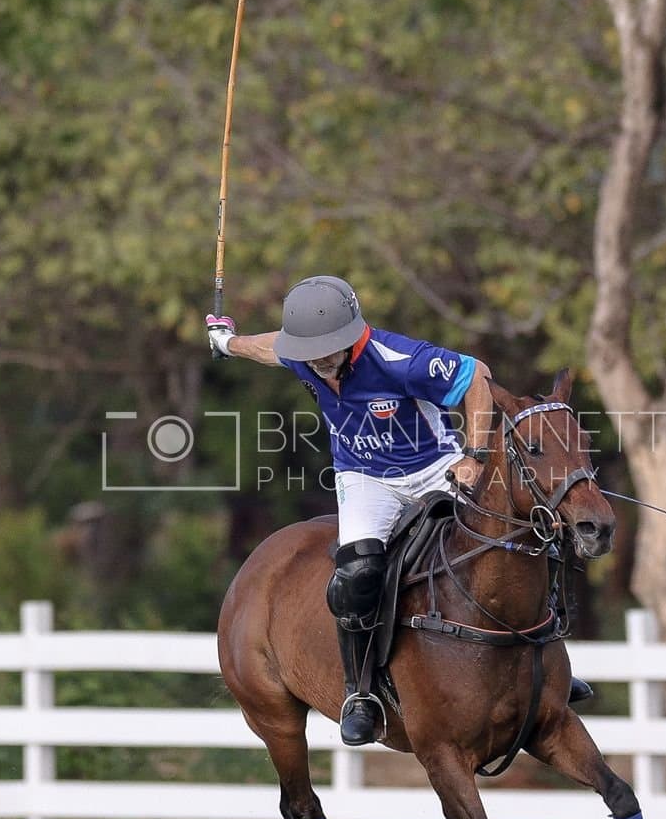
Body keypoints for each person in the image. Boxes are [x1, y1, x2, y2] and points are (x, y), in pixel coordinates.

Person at [207, 275, 590, 746]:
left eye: (330, 351)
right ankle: (360, 695)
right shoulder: (302, 353)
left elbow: (475, 376)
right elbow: (268, 347)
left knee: (516, 535)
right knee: (357, 577)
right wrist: (227, 341)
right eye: (311, 355)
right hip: (365, 479)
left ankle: (547, 662)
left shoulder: (398, 359)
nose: (321, 364)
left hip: (435, 466)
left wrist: (473, 455)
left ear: (351, 337)